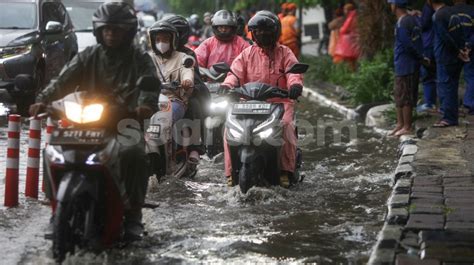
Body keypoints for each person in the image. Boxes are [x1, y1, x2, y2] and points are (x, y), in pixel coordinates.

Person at [29, 1, 160, 241]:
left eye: (116, 29)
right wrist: (42, 100)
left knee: (133, 154)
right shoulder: (89, 55)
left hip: (124, 123)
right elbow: (62, 80)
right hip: (82, 124)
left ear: (128, 31)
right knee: (53, 151)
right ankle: (54, 210)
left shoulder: (140, 59)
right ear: (99, 31)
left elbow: (150, 89)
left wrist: (144, 106)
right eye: (106, 29)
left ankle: (133, 216)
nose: (111, 34)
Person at [221, 10, 304, 188]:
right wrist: (227, 86)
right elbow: (234, 73)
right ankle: (230, 173)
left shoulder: (285, 52)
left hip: (279, 103)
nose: (262, 34)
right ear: (253, 33)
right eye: (257, 31)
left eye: (266, 30)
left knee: (287, 127)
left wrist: (295, 86)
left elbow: (293, 72)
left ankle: (285, 171)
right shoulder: (246, 54)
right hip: (247, 105)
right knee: (228, 130)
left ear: (275, 32)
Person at [164, 14, 210, 158]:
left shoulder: (187, 54)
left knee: (195, 104)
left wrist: (187, 84)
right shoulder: (156, 54)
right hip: (162, 95)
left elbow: (191, 75)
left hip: (183, 93)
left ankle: (195, 146)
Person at [388, 0, 424, 136]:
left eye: (391, 4)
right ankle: (400, 124)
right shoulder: (408, 20)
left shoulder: (404, 22)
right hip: (402, 64)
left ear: (395, 6)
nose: (390, 6)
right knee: (399, 95)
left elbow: (408, 45)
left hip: (407, 65)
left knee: (406, 96)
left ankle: (407, 126)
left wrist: (420, 57)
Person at [430, 0, 467, 127]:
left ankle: (449, 117)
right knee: (452, 86)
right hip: (455, 56)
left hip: (446, 57)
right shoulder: (453, 12)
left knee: (446, 87)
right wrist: (463, 49)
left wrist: (457, 51)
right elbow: (460, 33)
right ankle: (451, 115)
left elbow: (445, 37)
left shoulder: (438, 16)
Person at [451, 0, 474, 115]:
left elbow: (446, 33)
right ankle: (469, 104)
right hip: (470, 50)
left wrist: (456, 48)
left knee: (452, 78)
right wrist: (469, 46)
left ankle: (452, 105)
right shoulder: (472, 10)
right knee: (471, 77)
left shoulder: (449, 12)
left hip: (454, 51)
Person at [416, 2, 438, 113]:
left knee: (427, 75)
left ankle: (429, 103)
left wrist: (416, 18)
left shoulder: (428, 6)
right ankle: (435, 103)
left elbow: (423, 24)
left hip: (428, 44)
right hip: (436, 43)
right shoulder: (438, 6)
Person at [333, 3, 360, 71]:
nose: (344, 11)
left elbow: (344, 29)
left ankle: (352, 73)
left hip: (349, 42)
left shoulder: (351, 17)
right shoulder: (354, 16)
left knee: (350, 59)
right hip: (354, 40)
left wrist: (341, 29)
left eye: (345, 9)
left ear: (349, 10)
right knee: (353, 59)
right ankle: (354, 72)